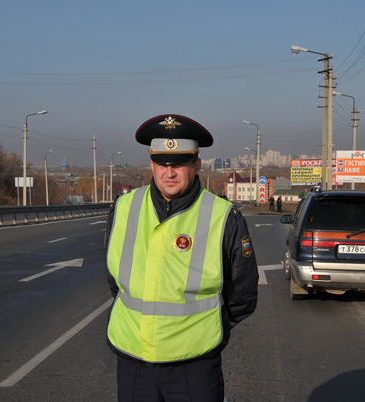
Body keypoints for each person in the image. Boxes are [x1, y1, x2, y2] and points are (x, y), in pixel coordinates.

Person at [105, 114, 259, 401]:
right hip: (133, 361)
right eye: (162, 163)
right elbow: (115, 281)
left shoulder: (224, 216)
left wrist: (211, 330)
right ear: (151, 164)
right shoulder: (124, 208)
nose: (169, 172)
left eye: (179, 163)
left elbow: (243, 295)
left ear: (196, 163)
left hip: (194, 365)